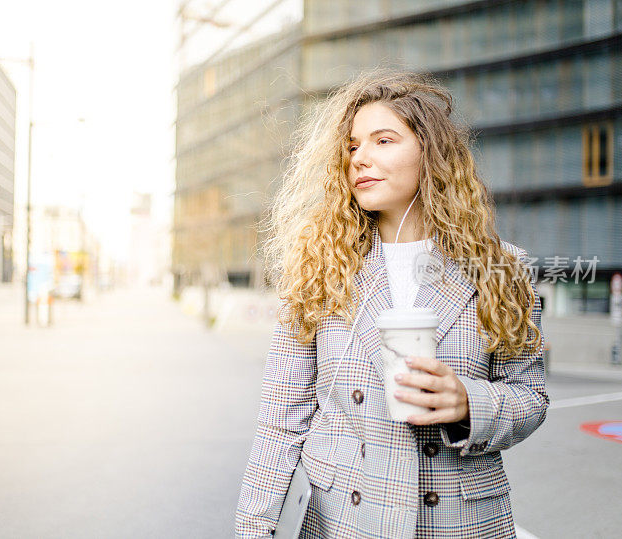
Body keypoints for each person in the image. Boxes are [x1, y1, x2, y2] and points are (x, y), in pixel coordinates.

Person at [234, 70, 549, 538]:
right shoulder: (321, 268)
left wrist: (468, 403)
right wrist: (253, 528)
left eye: (383, 141)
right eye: (353, 146)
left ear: (431, 153)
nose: (360, 158)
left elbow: (531, 396)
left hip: (458, 521)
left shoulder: (501, 268)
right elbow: (281, 420)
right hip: (343, 519)